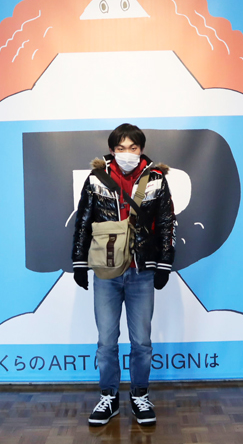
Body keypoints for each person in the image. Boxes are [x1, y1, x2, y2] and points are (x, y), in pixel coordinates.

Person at [72, 123, 176, 426]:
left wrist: (164, 263)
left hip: (142, 272)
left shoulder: (156, 179)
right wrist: (79, 261)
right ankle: (109, 397)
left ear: (141, 150)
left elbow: (167, 222)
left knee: (141, 341)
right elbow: (83, 221)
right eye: (121, 148)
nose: (127, 153)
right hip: (106, 271)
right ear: (112, 150)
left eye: (133, 148)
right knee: (106, 341)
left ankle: (140, 395)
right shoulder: (96, 179)